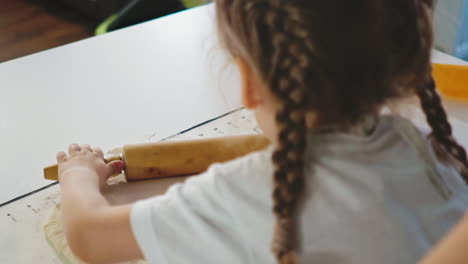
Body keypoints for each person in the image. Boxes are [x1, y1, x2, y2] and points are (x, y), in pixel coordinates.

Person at [55, 0, 468, 263]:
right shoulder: (427, 148)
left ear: (249, 82)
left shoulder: (246, 191)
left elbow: (89, 237)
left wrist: (79, 175)